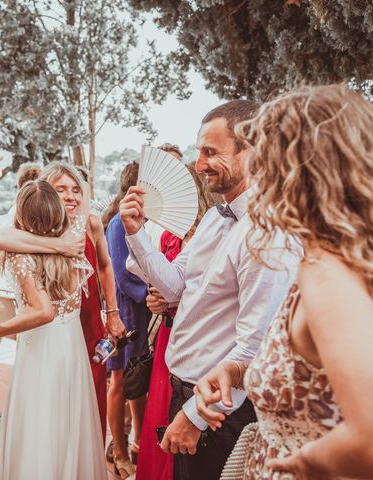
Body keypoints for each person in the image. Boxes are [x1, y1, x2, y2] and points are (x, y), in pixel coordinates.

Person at [193, 84, 373, 479]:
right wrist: (240, 370)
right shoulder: (372, 259)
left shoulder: (329, 275)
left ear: (299, 173)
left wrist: (306, 461)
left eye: (266, 162)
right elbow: (328, 374)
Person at [120, 99, 299, 480]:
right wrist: (136, 234)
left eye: (210, 153)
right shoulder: (215, 221)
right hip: (187, 393)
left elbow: (257, 347)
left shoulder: (268, 235)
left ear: (252, 152)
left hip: (223, 414)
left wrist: (195, 418)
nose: (199, 165)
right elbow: (174, 287)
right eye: (199, 152)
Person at [0, 180, 107, 479]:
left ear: (21, 214)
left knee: (40, 421)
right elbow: (0, 237)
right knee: (68, 422)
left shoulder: (21, 256)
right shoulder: (73, 236)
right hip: (71, 347)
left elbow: (43, 311)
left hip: (41, 349)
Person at [0, 162, 127, 442]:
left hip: (87, 319)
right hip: (54, 326)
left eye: (76, 190)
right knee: (55, 400)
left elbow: (104, 266)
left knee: (91, 393)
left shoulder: (89, 223)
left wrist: (112, 313)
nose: (70, 196)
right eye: (61, 189)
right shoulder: (34, 228)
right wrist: (58, 246)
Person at [135, 157, 220, 480]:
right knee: (161, 411)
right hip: (169, 335)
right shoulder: (171, 237)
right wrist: (156, 298)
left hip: (199, 340)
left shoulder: (213, 229)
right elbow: (169, 281)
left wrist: (173, 297)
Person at [100, 162, 150, 479]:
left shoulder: (144, 220)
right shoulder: (119, 223)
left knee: (138, 380)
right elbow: (121, 274)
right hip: (126, 310)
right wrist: (153, 293)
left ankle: (137, 441)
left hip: (142, 310)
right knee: (120, 380)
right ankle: (119, 448)